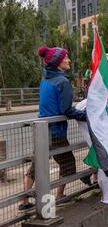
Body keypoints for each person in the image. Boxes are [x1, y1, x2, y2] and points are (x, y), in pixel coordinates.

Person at [19, 47, 89, 211]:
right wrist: (86, 115)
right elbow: (67, 110)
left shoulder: (45, 79)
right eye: (66, 58)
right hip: (56, 131)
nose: (69, 60)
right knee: (68, 163)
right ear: (58, 63)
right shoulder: (62, 82)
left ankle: (23, 201)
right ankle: (59, 196)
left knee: (37, 164)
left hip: (42, 129)